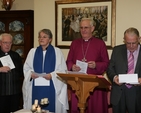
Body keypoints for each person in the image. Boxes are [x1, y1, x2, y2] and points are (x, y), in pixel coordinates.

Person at [66, 18, 109, 113]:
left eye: (86, 27)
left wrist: (96, 65)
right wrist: (72, 66)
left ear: (92, 28)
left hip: (94, 85)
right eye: (81, 28)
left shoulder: (100, 43)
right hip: (78, 84)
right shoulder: (74, 43)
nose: (83, 30)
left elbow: (106, 63)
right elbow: (68, 61)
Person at [22, 29, 69, 113]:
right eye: (40, 37)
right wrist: (30, 75)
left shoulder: (57, 52)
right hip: (35, 87)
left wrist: (52, 75)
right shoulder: (32, 52)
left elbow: (62, 70)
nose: (41, 39)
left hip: (52, 86)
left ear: (50, 39)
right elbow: (26, 68)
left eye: (44, 37)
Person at [107, 27, 141, 113]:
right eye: (128, 43)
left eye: (134, 43)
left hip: (137, 93)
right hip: (119, 92)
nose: (131, 46)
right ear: (124, 40)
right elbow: (110, 68)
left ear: (139, 39)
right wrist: (115, 78)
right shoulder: (117, 50)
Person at [0, 33, 23, 113]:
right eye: (5, 42)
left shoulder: (16, 56)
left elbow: (21, 72)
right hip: (1, 94)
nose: (7, 45)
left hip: (14, 93)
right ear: (0, 43)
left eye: (9, 42)